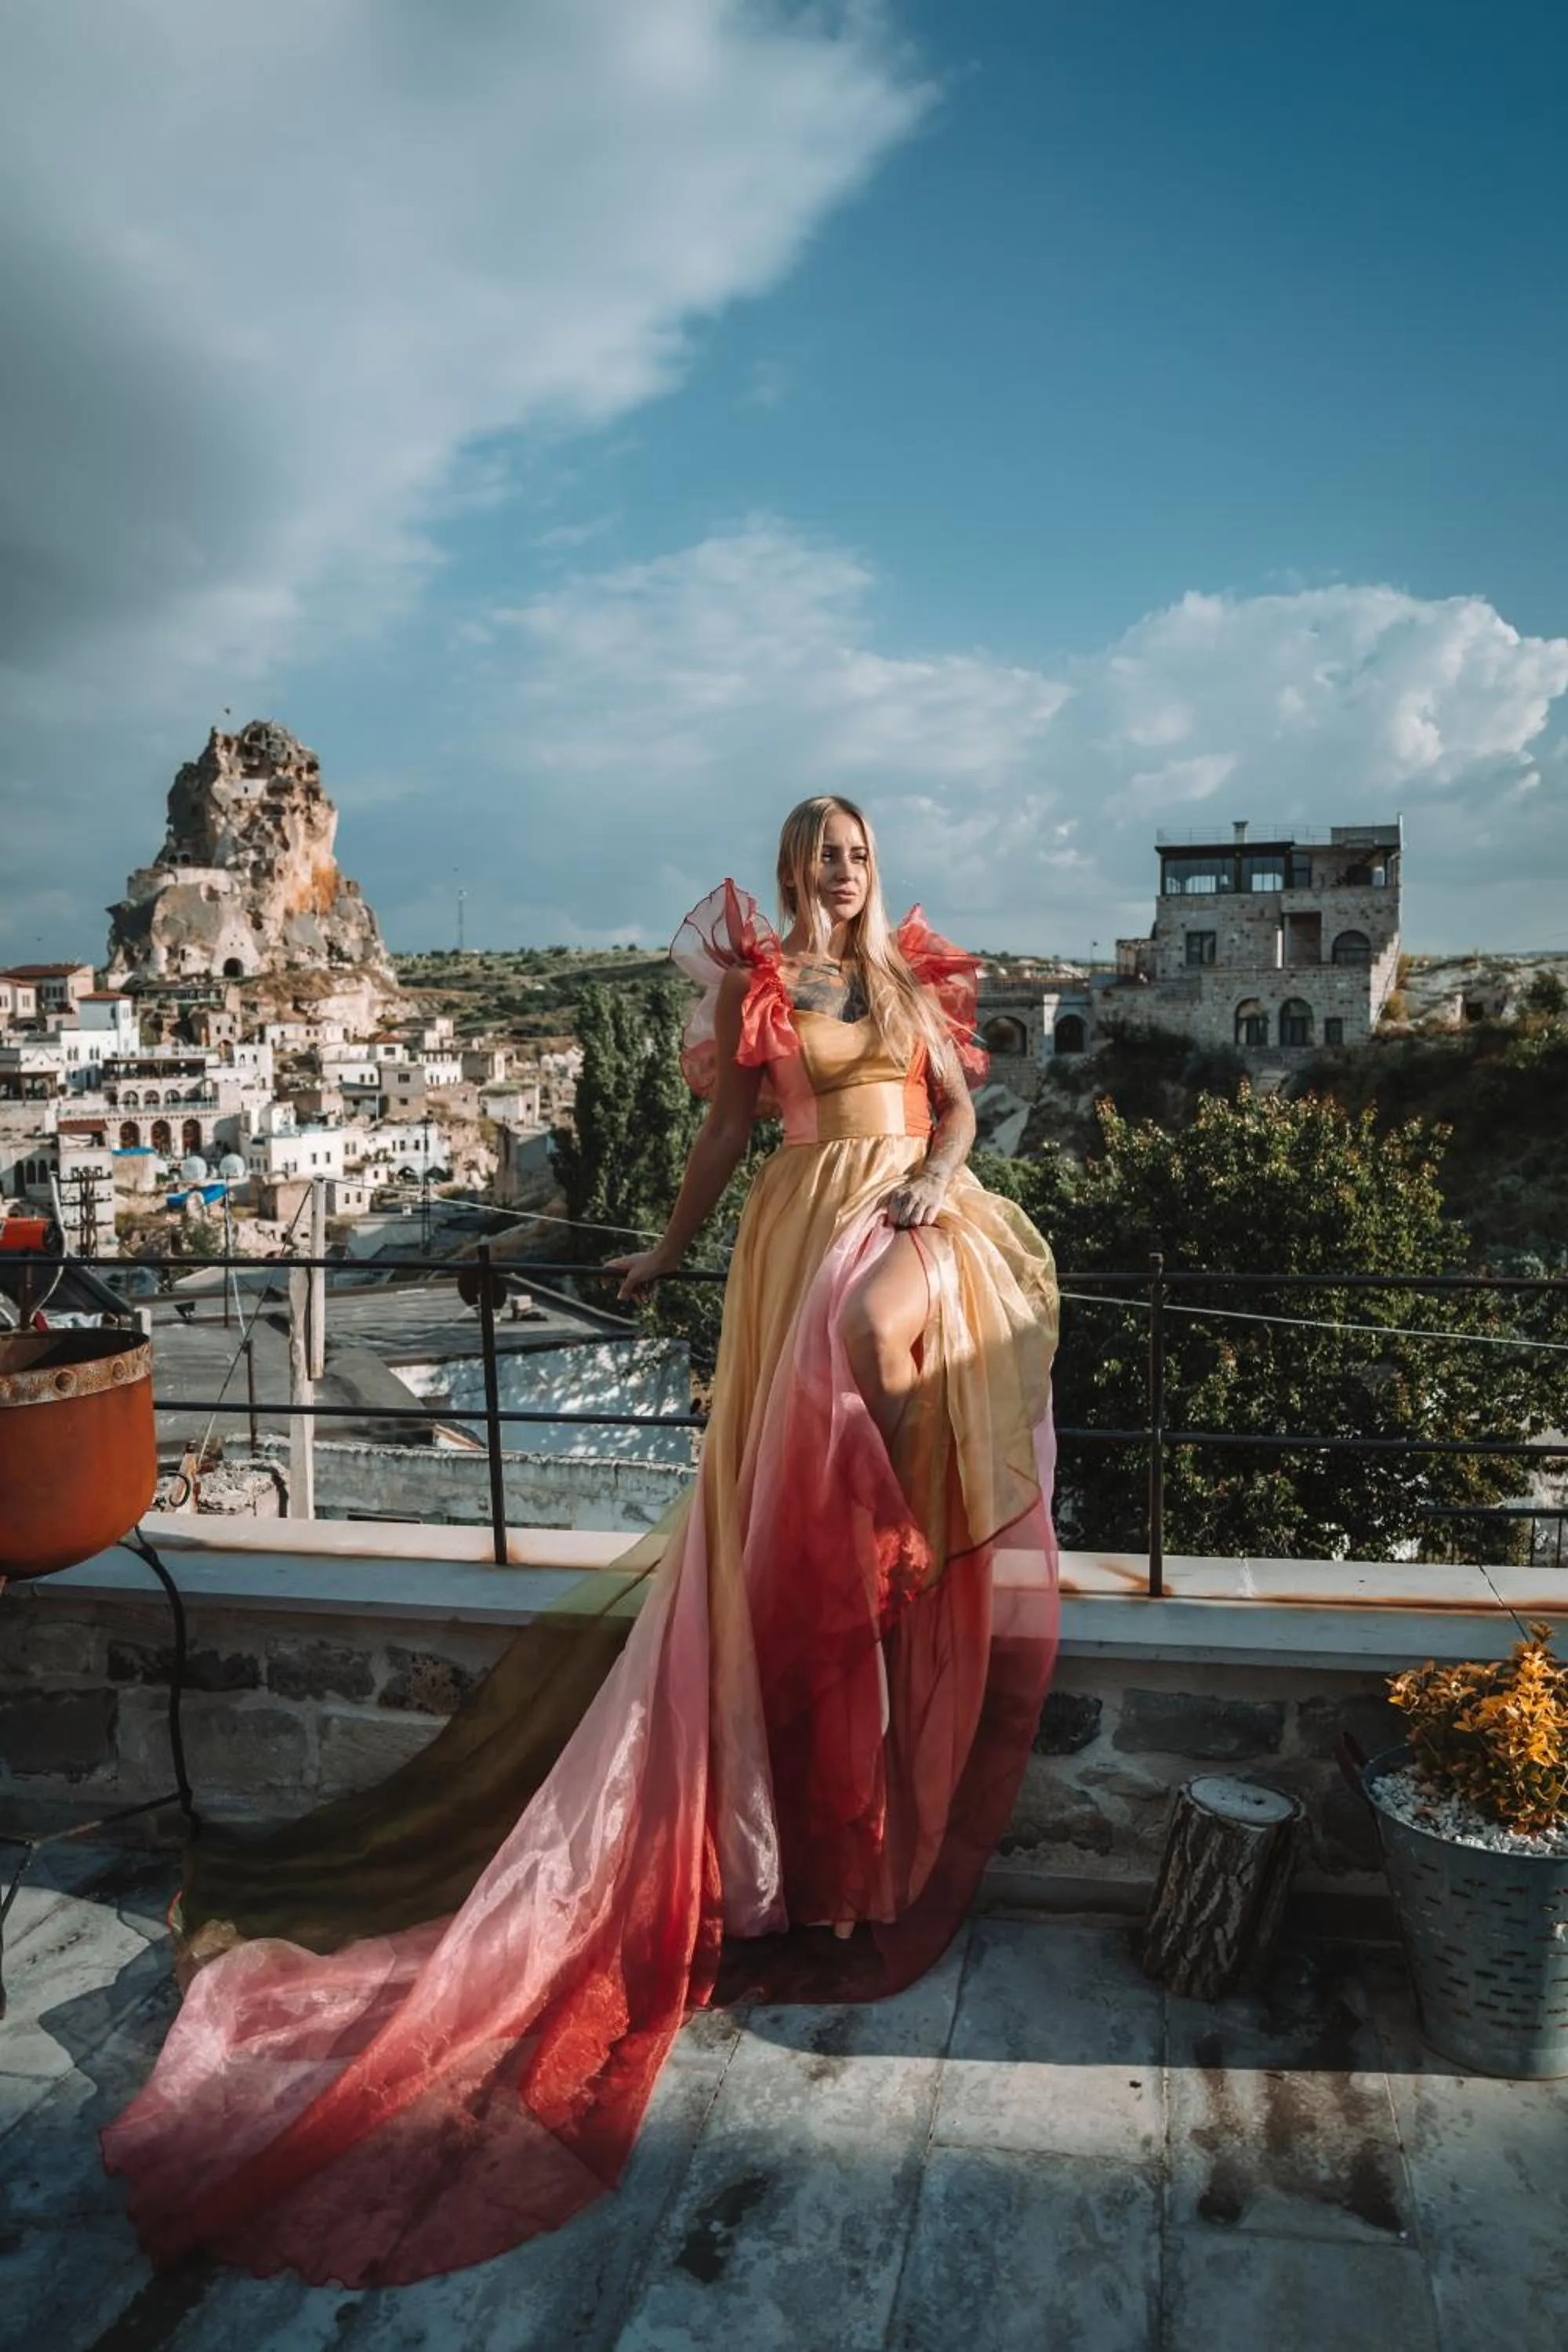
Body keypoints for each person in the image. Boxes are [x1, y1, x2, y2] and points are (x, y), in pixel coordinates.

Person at [101, 796, 1060, 2290]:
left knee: (885, 1338)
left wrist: (943, 1168)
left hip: (906, 1219)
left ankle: (912, 1535)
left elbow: (953, 1104)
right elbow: (730, 1139)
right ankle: (828, 1698)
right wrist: (669, 1252)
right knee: (787, 1495)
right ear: (798, 864)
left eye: (859, 852)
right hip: (792, 1237)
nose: (843, 870)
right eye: (824, 851)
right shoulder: (769, 991)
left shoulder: (906, 979)